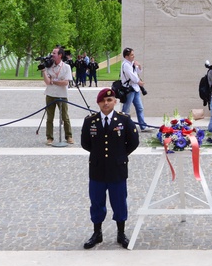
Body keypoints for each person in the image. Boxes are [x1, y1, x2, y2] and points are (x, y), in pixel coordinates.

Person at [80, 87, 140, 249]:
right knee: (96, 202)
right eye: (102, 101)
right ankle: (97, 233)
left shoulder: (124, 120)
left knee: (119, 201)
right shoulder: (90, 121)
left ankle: (121, 233)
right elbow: (85, 143)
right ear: (98, 103)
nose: (106, 103)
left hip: (117, 169)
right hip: (97, 169)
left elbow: (133, 142)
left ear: (115, 101)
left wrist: (120, 155)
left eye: (109, 100)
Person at [43, 45, 74, 145]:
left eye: (54, 53)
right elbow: (47, 82)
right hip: (50, 94)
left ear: (60, 55)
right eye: (52, 53)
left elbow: (65, 82)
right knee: (49, 118)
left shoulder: (66, 67)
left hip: (62, 95)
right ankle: (49, 137)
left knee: (65, 117)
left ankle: (69, 136)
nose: (52, 55)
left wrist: (53, 81)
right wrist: (44, 70)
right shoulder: (49, 66)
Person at [120, 47, 152, 131]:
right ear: (126, 56)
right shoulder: (126, 65)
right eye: (131, 55)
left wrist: (139, 66)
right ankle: (122, 126)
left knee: (140, 108)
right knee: (126, 108)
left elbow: (138, 72)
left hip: (135, 89)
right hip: (129, 89)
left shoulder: (131, 63)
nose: (133, 56)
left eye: (133, 54)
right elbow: (131, 76)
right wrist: (139, 82)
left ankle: (143, 126)